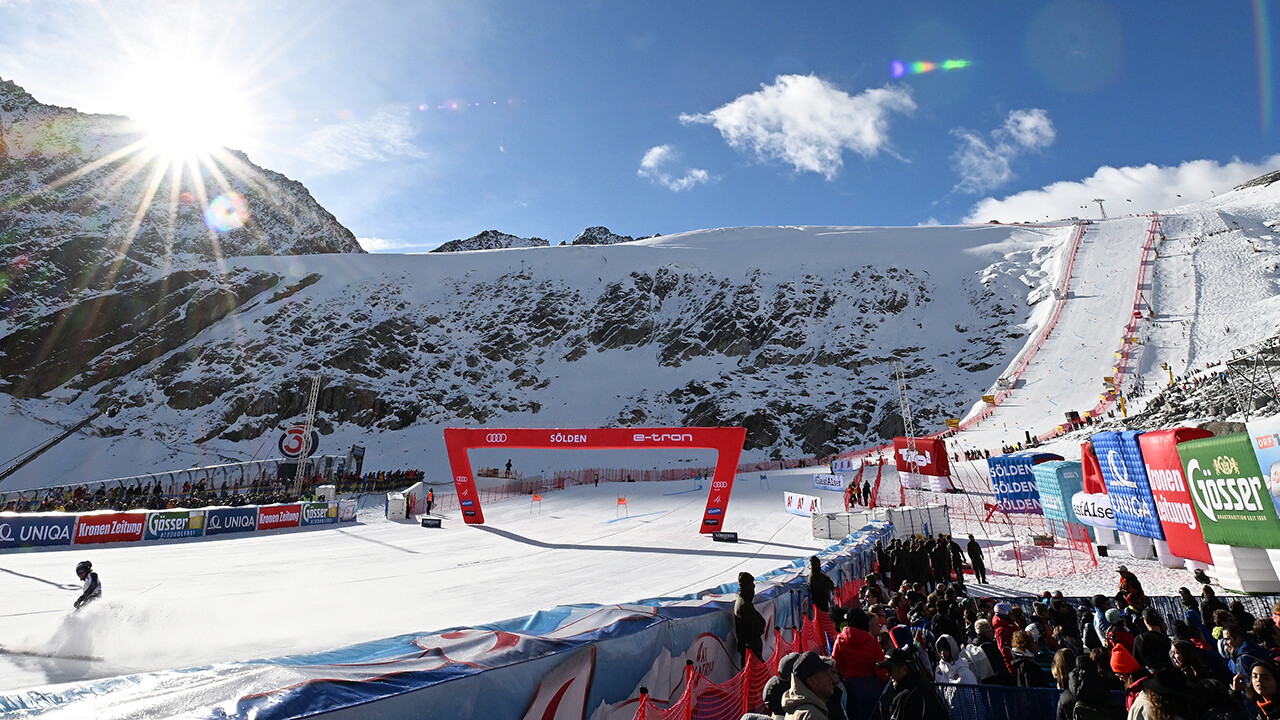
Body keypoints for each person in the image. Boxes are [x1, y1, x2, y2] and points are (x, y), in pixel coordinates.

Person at [878, 648, 949, 720]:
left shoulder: (905, 697)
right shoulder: (925, 688)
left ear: (904, 669)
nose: (887, 673)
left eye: (889, 669)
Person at [781, 652, 841, 720]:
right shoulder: (812, 715)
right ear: (812, 682)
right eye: (825, 674)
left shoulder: (796, 709)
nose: (830, 679)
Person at [734, 572, 766, 666]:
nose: (754, 587)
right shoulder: (744, 605)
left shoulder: (744, 602)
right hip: (750, 651)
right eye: (751, 584)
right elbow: (758, 627)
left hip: (751, 650)